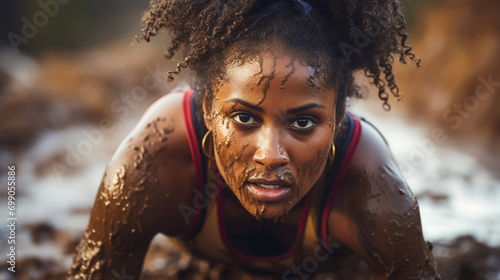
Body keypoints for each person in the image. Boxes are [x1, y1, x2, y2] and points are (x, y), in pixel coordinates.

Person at [69, 0, 443, 279]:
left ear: (339, 120)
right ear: (208, 112)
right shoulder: (154, 160)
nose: (270, 156)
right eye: (244, 117)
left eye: (302, 123)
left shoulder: (371, 188)